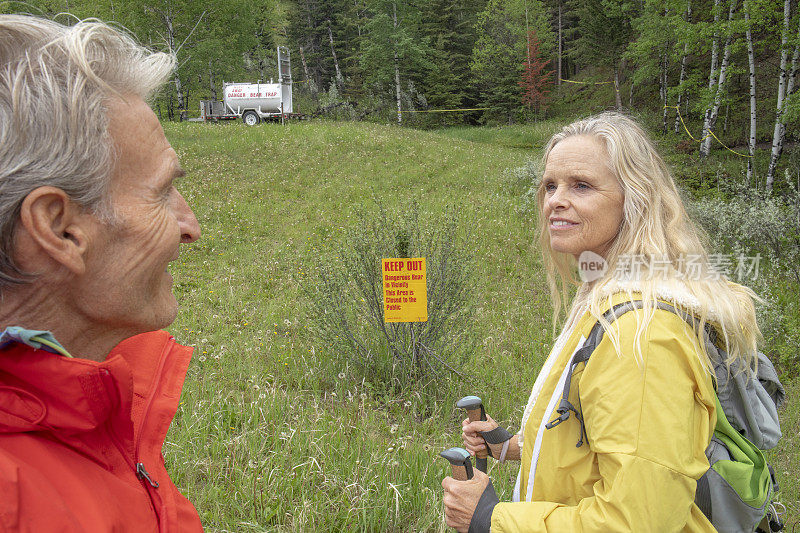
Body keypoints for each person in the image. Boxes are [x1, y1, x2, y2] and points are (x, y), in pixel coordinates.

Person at [441, 112, 763, 532]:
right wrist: (516, 447)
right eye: (550, 185)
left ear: (635, 199)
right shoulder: (606, 294)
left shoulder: (641, 336)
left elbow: (638, 521)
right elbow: (612, 445)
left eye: (582, 185)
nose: (554, 200)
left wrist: (489, 519)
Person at [0, 15, 204, 531]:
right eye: (161, 192)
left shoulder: (95, 405)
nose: (191, 226)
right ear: (59, 229)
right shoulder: (16, 502)